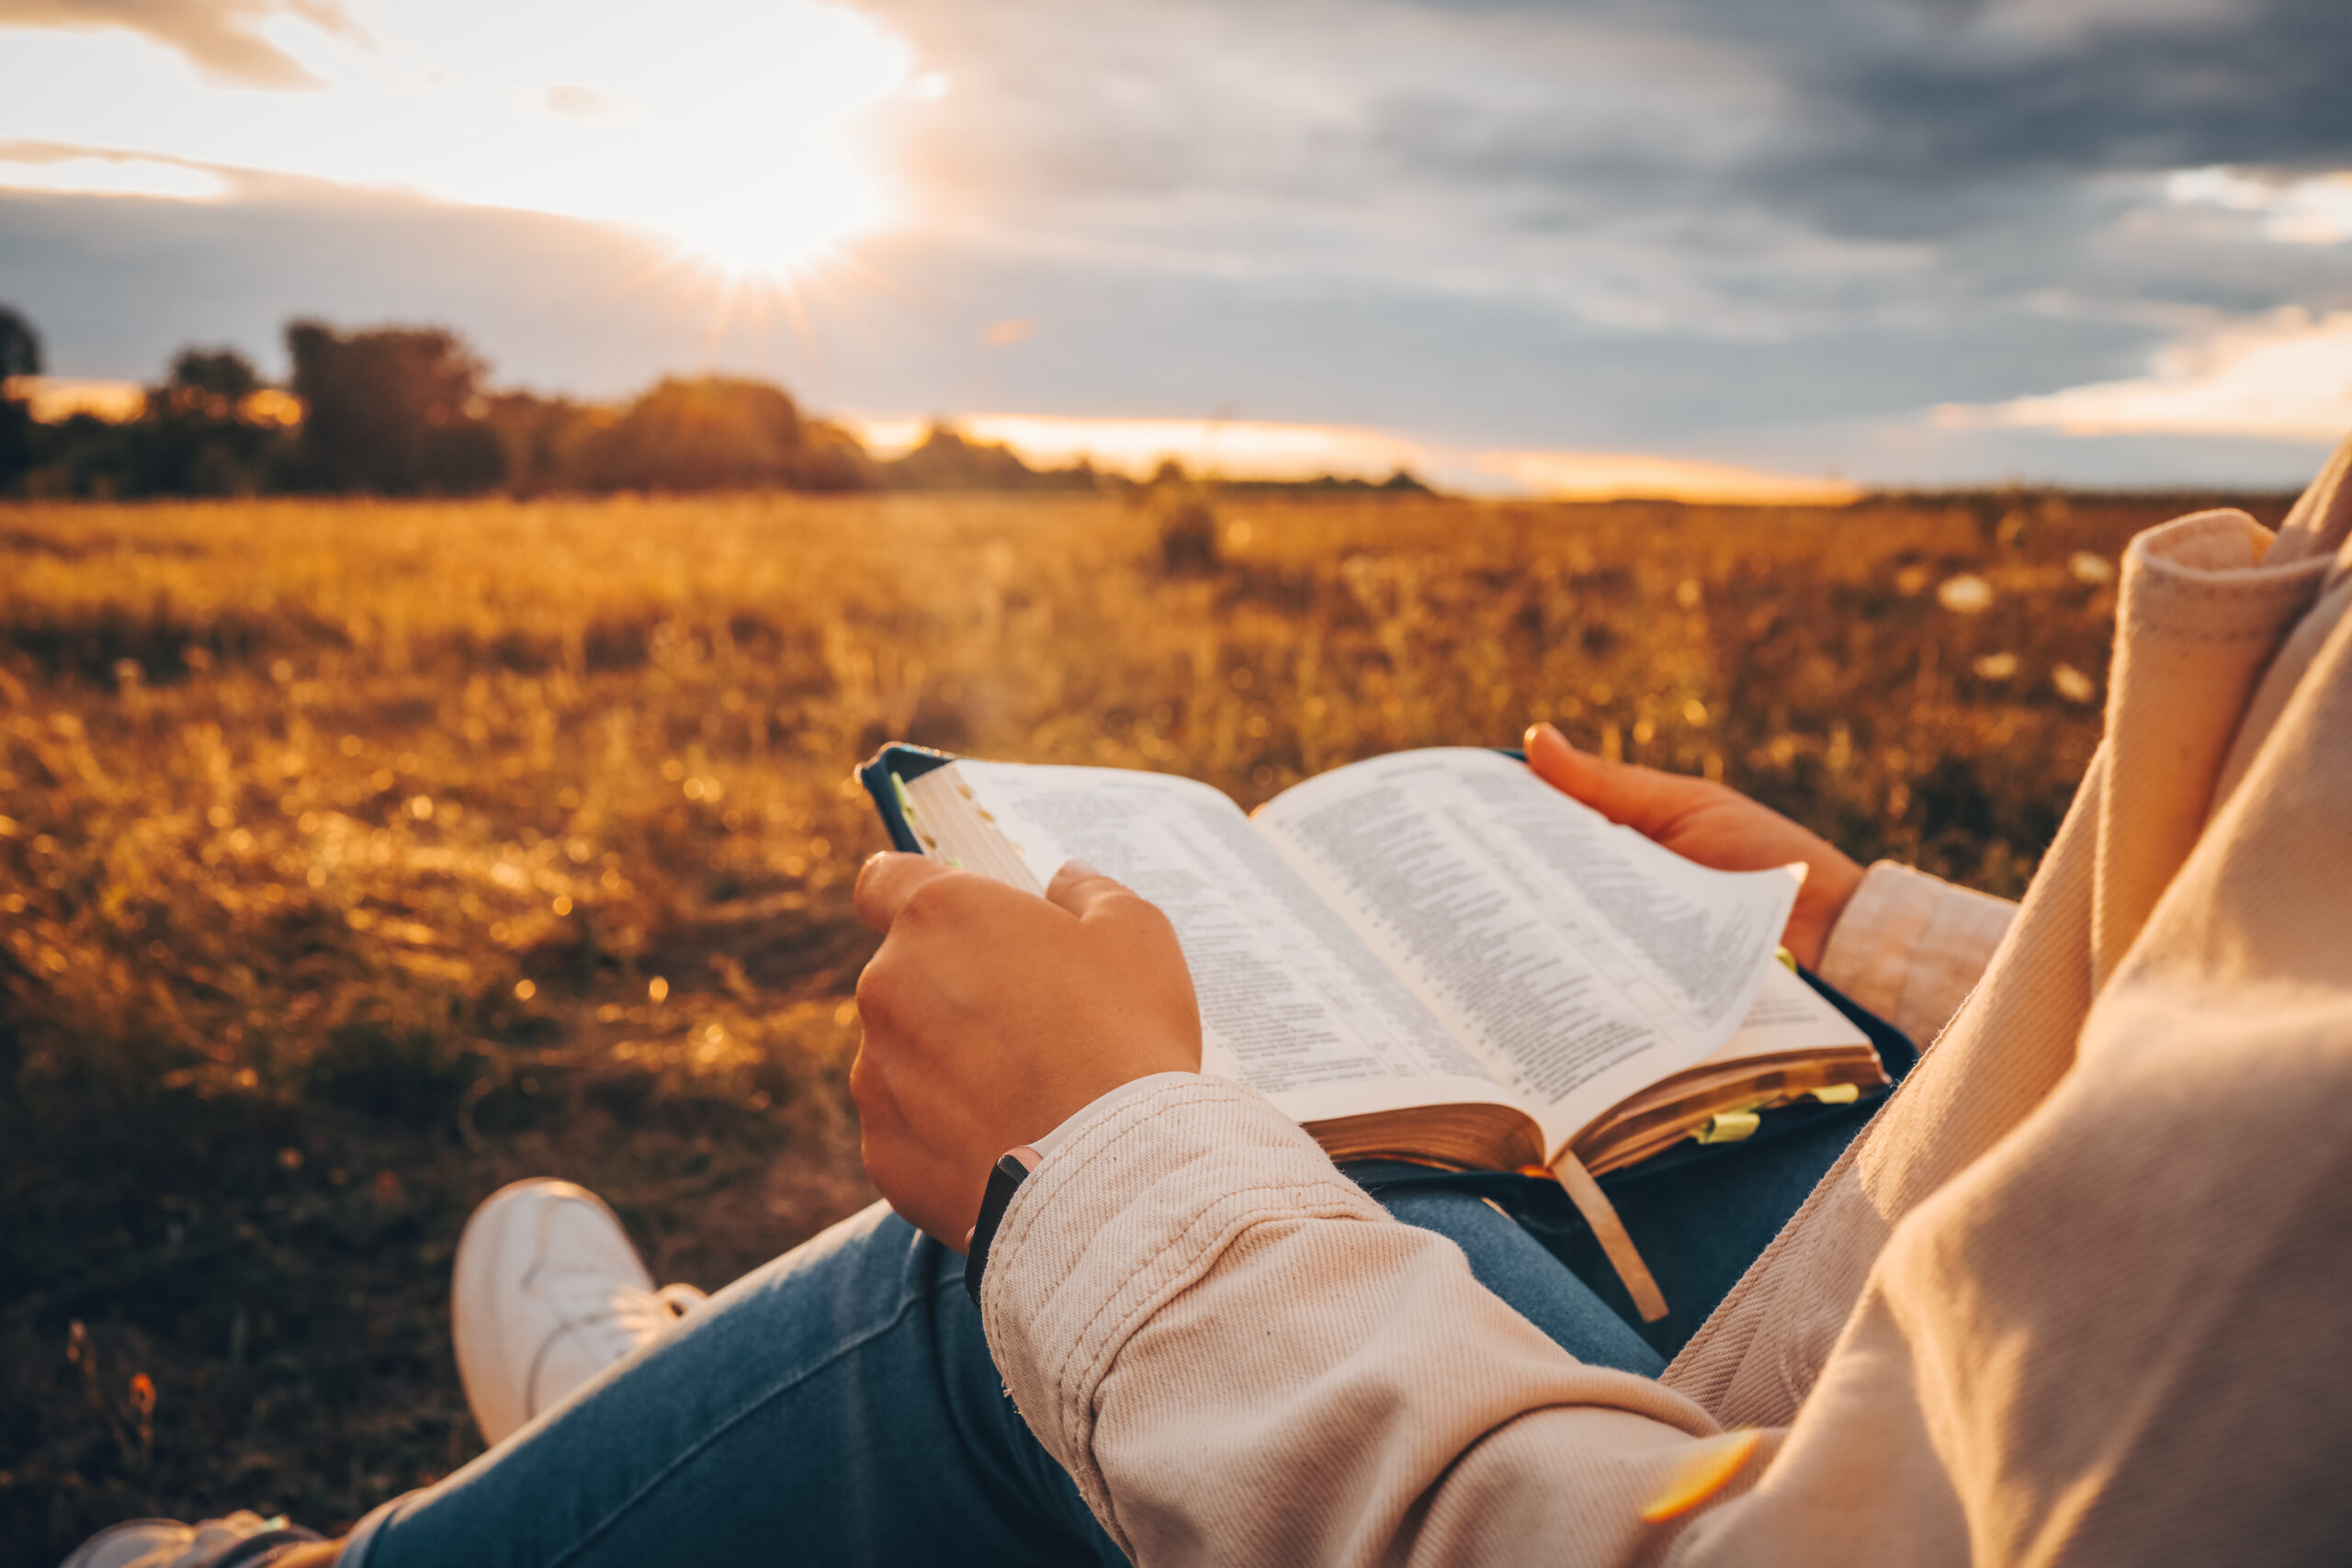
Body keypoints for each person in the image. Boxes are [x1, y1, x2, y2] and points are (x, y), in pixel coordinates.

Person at [66, 436, 2352, 1567]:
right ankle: (678, 1426)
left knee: (1097, 1226)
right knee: (1468, 1177)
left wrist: (1117, 1184)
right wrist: (1874, 931)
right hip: (1965, 1282)